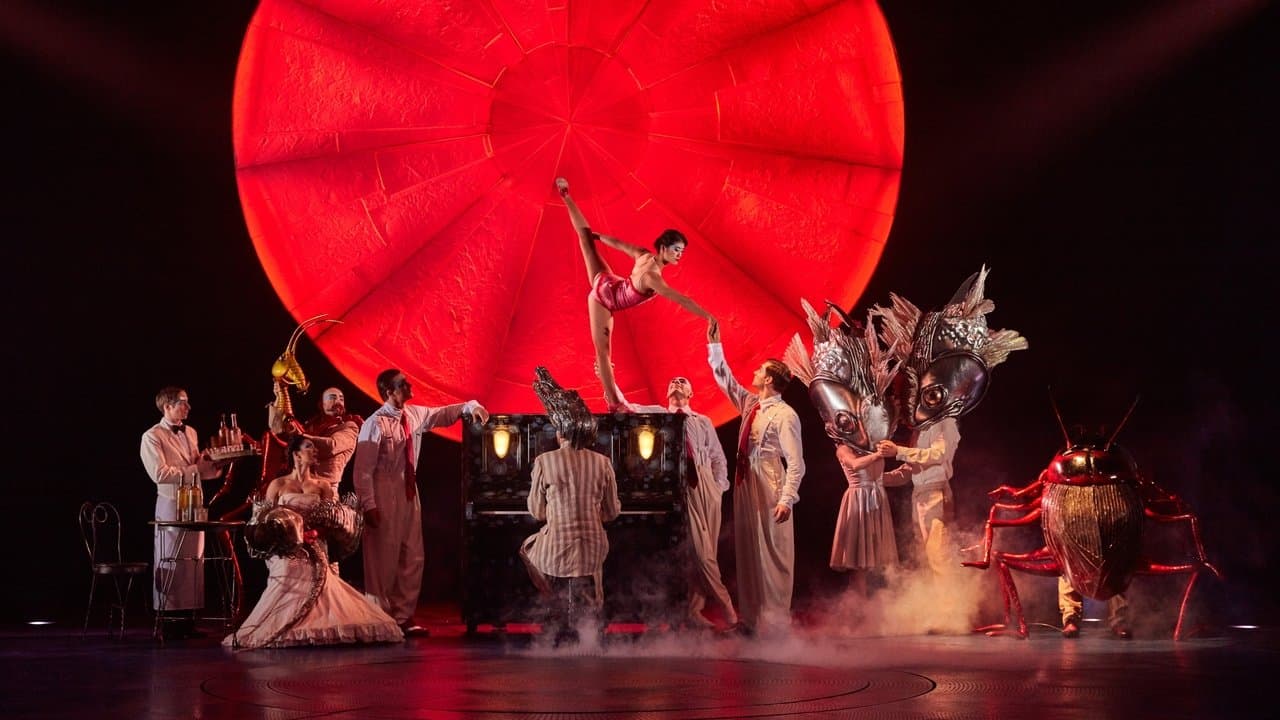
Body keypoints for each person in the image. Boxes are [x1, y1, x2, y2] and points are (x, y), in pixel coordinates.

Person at [225, 435, 404, 649]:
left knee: (320, 573)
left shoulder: (323, 486)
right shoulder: (278, 484)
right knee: (289, 569)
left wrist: (316, 532)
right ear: (296, 454)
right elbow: (264, 520)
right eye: (309, 447)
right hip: (287, 547)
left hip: (315, 542)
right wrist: (291, 535)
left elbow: (333, 519)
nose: (315, 450)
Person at [555, 176, 717, 411]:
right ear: (664, 248)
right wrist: (708, 316)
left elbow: (619, 244)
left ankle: (566, 195)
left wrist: (598, 237)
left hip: (607, 280)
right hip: (605, 299)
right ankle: (614, 403)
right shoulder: (653, 278)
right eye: (676, 250)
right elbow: (681, 299)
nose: (679, 255)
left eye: (681, 252)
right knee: (603, 352)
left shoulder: (643, 255)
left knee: (585, 239)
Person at [354, 369, 488, 636]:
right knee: (383, 557)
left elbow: (444, 413)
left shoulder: (413, 414)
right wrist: (369, 505)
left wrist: (472, 406)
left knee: (412, 554)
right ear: (389, 392)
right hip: (384, 489)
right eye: (402, 384)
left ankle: (403, 616)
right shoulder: (374, 423)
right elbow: (363, 471)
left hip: (408, 489)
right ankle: (380, 619)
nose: (409, 385)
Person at [707, 324, 805, 636]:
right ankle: (750, 621)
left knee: (772, 551)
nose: (755, 372)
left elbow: (796, 462)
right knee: (749, 549)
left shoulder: (786, 415)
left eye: (761, 370)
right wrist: (715, 346)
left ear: (770, 379)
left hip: (769, 480)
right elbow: (726, 381)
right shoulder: (752, 405)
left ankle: (775, 624)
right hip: (746, 480)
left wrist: (786, 498)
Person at [519, 366, 621, 645]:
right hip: (594, 546)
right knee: (592, 551)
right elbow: (612, 512)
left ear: (559, 430)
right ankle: (592, 618)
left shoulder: (544, 461)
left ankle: (554, 603)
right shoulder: (603, 462)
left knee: (526, 549)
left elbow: (536, 512)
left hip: (558, 547)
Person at [629, 376, 739, 631]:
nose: (676, 383)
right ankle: (727, 607)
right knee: (701, 553)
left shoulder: (702, 421)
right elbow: (625, 406)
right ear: (667, 392)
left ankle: (694, 609)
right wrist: (606, 377)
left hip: (706, 484)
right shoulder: (660, 415)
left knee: (706, 550)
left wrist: (718, 488)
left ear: (691, 392)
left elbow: (718, 457)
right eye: (672, 382)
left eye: (682, 381)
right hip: (681, 483)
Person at [139, 386, 225, 639]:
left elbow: (198, 466)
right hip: (171, 502)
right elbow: (159, 473)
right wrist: (194, 470)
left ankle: (188, 620)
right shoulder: (152, 436)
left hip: (194, 501)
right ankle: (168, 621)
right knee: (170, 558)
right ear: (167, 406)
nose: (188, 407)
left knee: (193, 560)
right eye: (182, 402)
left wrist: (215, 463)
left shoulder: (191, 432)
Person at [878, 417, 960, 578]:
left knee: (939, 553)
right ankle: (932, 593)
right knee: (924, 554)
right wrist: (876, 479)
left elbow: (938, 454)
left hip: (935, 491)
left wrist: (899, 451)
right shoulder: (918, 430)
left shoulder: (945, 421)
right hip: (920, 494)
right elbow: (909, 469)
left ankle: (950, 594)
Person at [829, 442, 899, 596]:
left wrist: (910, 465)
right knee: (858, 558)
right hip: (859, 500)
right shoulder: (844, 448)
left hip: (877, 499)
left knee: (879, 556)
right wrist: (878, 454)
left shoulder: (874, 445)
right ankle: (858, 600)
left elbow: (881, 477)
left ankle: (880, 600)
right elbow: (855, 464)